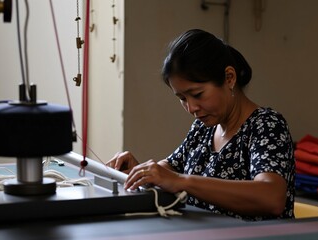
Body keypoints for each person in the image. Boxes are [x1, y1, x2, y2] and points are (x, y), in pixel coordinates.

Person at [107, 29, 295, 221]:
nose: (191, 108)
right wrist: (139, 173)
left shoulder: (266, 125)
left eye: (197, 94)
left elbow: (271, 198)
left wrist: (181, 181)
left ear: (229, 78)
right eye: (182, 98)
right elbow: (169, 171)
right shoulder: (203, 128)